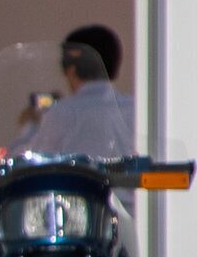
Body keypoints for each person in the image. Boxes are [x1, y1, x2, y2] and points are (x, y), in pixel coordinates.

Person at [21, 24, 136, 158]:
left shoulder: (61, 114)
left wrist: (33, 125)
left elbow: (30, 162)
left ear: (70, 68)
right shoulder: (135, 110)